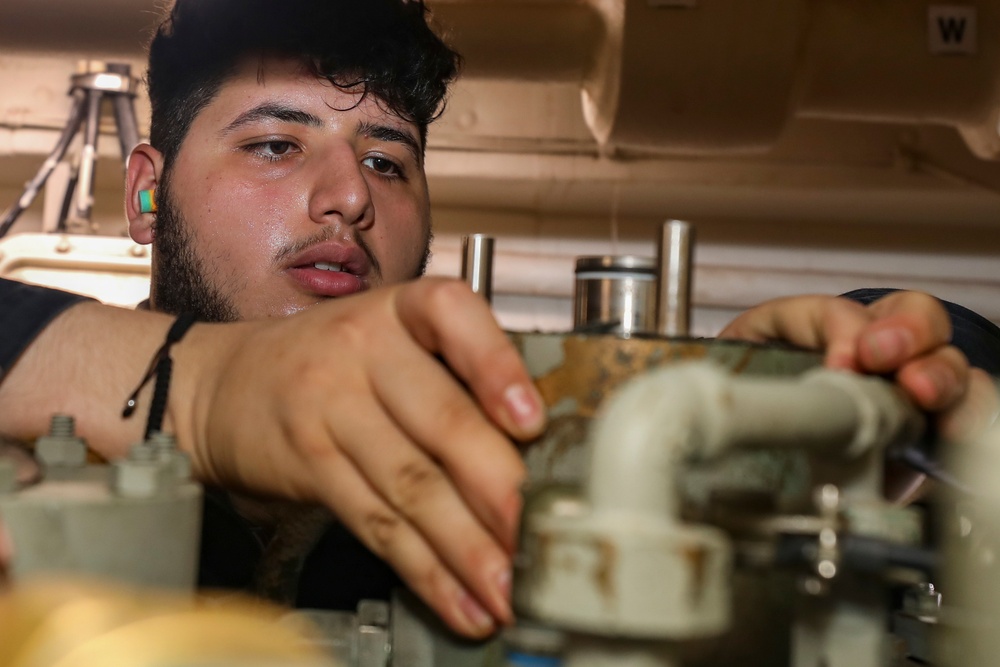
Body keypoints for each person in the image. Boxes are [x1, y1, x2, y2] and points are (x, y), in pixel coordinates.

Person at [0, 0, 996, 639]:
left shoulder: (492, 459)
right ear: (143, 194)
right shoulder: (33, 438)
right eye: (274, 146)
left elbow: (961, 343)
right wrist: (207, 387)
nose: (347, 194)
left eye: (388, 160)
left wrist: (818, 391)